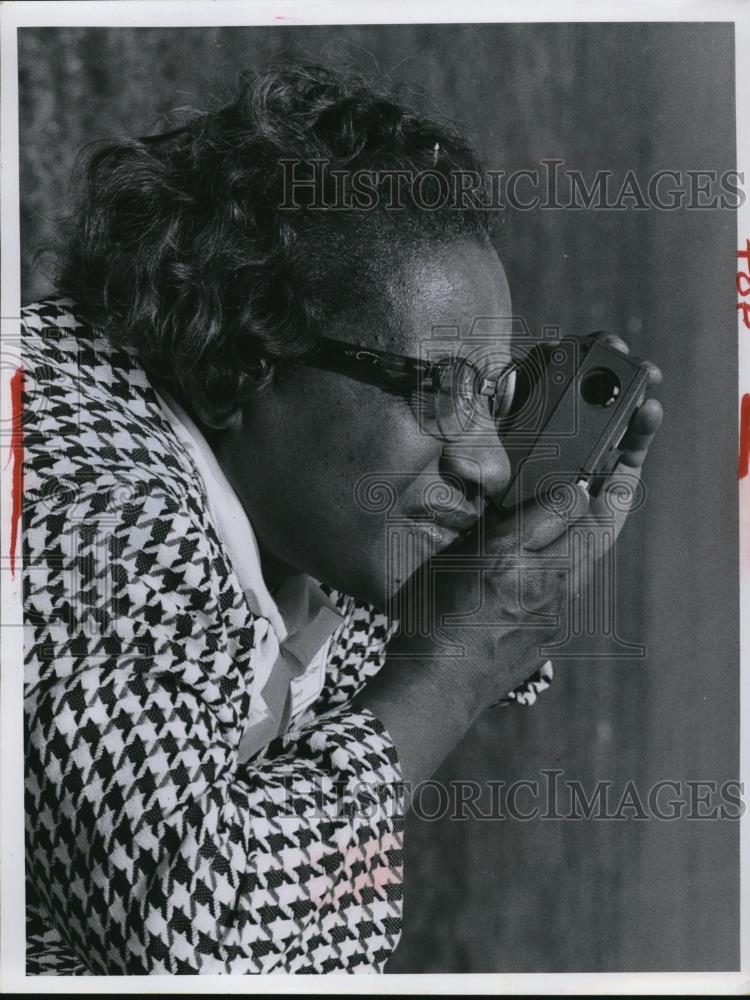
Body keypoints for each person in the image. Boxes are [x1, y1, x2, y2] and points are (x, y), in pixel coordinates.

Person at [22, 62, 663, 975]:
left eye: (493, 393)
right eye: (436, 388)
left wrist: (511, 546)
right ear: (242, 357)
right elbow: (204, 950)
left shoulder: (281, 493)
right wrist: (449, 672)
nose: (484, 459)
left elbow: (345, 636)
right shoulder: (90, 508)